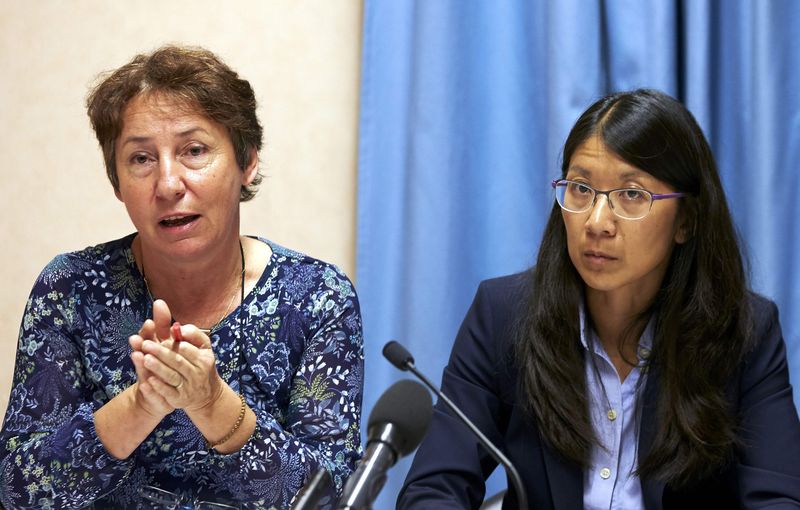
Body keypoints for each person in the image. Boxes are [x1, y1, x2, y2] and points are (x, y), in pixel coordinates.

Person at [398, 89, 800, 509]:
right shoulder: (503, 315)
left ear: (686, 220)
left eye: (631, 195)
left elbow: (778, 500)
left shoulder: (743, 332)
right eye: (581, 188)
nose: (596, 221)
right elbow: (433, 489)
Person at [0, 45, 363, 509]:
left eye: (194, 151)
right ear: (116, 182)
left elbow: (332, 498)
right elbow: (18, 491)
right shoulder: (71, 287)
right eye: (141, 159)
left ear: (246, 161)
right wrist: (143, 403)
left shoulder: (316, 297)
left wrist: (210, 402)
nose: (168, 184)